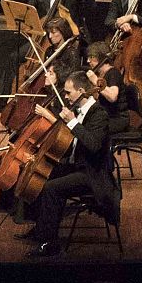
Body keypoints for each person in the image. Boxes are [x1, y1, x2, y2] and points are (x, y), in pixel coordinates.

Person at [18, 72, 118, 258]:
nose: (65, 96)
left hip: (92, 173)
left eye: (68, 92)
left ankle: (50, 243)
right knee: (41, 174)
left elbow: (93, 145)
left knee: (51, 188)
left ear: (81, 91)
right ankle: (41, 228)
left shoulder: (99, 114)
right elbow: (68, 143)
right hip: (76, 165)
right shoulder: (77, 111)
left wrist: (71, 121)